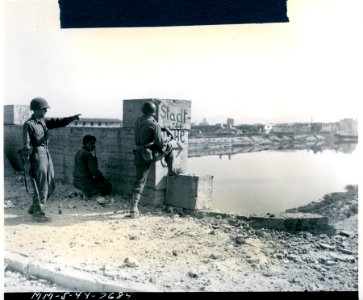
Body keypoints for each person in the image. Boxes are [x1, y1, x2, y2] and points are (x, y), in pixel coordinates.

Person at [22, 97, 81, 222]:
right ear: (36, 110)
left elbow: (57, 122)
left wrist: (71, 118)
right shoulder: (29, 125)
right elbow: (26, 146)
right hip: (37, 155)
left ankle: (34, 207)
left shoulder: (43, 121)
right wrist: (27, 163)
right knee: (41, 185)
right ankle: (38, 213)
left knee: (51, 184)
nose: (46, 111)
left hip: (46, 153)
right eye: (44, 109)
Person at [130, 101, 176, 218]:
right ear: (154, 112)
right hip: (148, 155)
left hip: (138, 153)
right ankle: (171, 171)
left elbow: (147, 129)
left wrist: (161, 128)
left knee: (139, 180)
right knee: (169, 148)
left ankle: (133, 208)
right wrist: (170, 138)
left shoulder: (137, 121)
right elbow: (160, 144)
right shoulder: (154, 124)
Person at [73, 135, 112, 200]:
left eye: (94, 143)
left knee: (95, 182)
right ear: (85, 143)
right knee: (108, 186)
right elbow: (94, 172)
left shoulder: (78, 152)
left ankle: (85, 191)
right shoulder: (88, 154)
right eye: (91, 143)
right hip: (85, 183)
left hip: (76, 182)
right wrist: (103, 179)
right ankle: (88, 192)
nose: (93, 145)